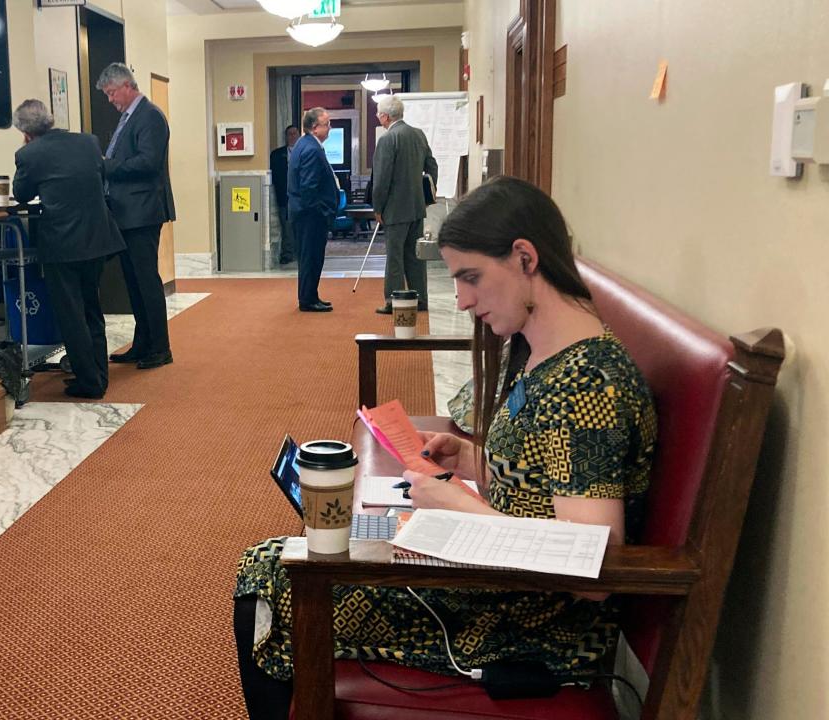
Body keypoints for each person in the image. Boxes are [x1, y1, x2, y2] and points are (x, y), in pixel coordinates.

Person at [232, 176, 657, 720]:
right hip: (497, 579)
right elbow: (551, 481)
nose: (461, 299)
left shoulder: (587, 384)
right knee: (334, 542)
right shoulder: (550, 354)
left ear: (525, 257)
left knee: (268, 573)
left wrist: (460, 506)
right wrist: (471, 458)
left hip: (523, 622)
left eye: (472, 277)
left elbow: (591, 568)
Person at [11, 100, 125, 400]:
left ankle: (89, 382)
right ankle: (100, 374)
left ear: (24, 131)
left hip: (63, 243)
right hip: (97, 238)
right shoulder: (88, 142)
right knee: (91, 308)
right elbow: (98, 177)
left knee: (71, 314)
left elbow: (21, 194)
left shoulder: (29, 154)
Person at [96, 62, 176, 370]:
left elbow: (148, 162)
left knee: (146, 281)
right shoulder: (130, 116)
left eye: (112, 93)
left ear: (127, 86)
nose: (111, 99)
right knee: (134, 282)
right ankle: (142, 343)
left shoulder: (150, 116)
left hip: (142, 211)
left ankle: (160, 347)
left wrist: (107, 165)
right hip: (128, 212)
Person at [371, 95, 438, 315]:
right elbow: (432, 166)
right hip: (417, 207)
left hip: (394, 209)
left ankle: (393, 300)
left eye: (379, 114)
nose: (379, 118)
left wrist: (378, 207)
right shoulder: (418, 134)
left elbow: (381, 179)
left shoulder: (388, 139)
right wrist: (426, 195)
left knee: (395, 257)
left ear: (385, 116)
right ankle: (421, 299)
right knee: (415, 256)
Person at [287, 107, 339, 313]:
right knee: (311, 257)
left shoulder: (305, 144)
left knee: (311, 257)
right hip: (310, 216)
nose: (330, 128)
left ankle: (310, 295)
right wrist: (323, 212)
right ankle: (307, 299)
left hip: (306, 214)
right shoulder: (311, 149)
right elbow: (309, 188)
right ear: (315, 128)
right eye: (327, 124)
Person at [270, 125, 300, 265]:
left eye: (295, 134)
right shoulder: (277, 155)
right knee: (287, 226)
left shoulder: (305, 152)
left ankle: (299, 252)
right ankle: (288, 254)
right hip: (284, 197)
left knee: (300, 226)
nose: (293, 136)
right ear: (286, 136)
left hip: (302, 197)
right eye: (290, 134)